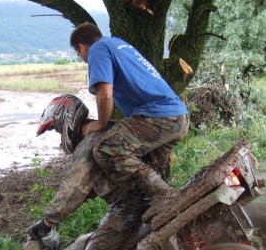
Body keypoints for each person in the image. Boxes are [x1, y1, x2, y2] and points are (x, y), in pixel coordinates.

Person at [27, 95, 149, 250]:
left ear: (67, 122)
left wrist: (48, 220)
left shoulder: (89, 143)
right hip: (144, 193)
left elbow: (74, 187)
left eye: (56, 129)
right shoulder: (108, 131)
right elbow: (90, 186)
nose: (58, 136)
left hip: (130, 202)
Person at [69, 22, 189, 219]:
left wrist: (99, 124)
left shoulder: (97, 50)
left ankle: (164, 195)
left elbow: (105, 93)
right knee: (150, 173)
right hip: (178, 117)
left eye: (79, 54)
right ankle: (165, 214)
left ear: (81, 48)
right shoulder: (117, 44)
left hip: (159, 117)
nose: (82, 58)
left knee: (106, 148)